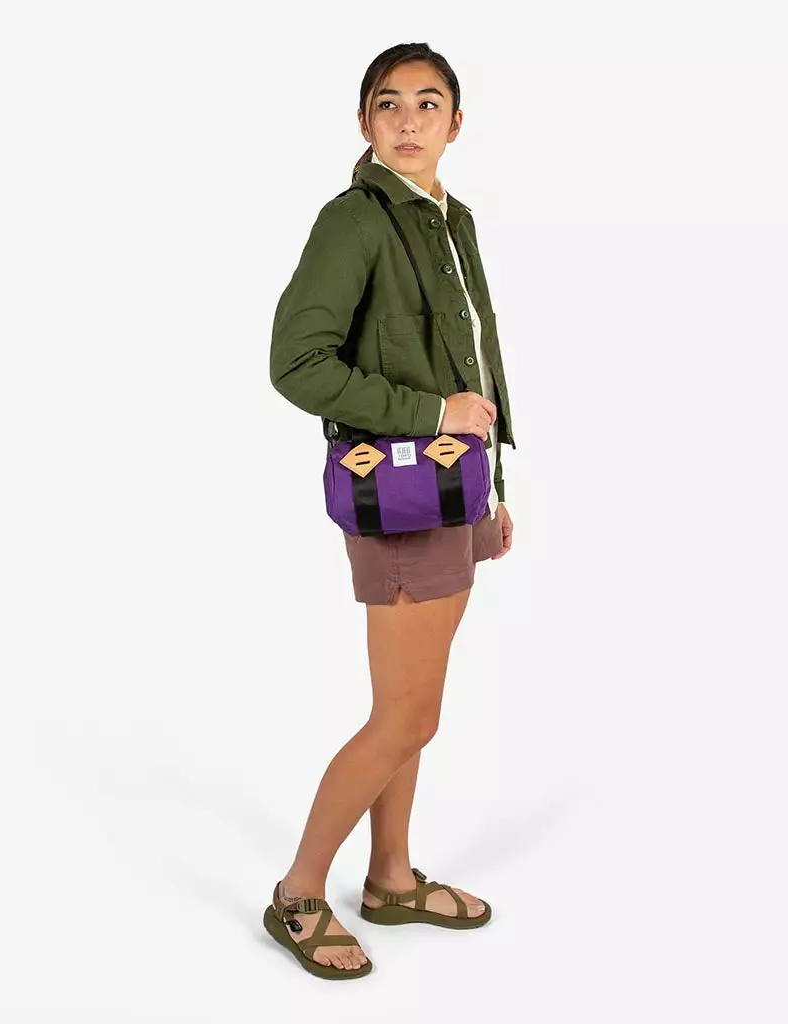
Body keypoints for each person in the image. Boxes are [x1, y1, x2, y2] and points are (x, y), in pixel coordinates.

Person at [264, 41, 517, 980]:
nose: (409, 121)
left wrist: (492, 492)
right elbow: (297, 364)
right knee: (404, 719)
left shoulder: (451, 219)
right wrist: (430, 415)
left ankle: (391, 879)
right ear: (365, 121)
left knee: (412, 712)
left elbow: (472, 364)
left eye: (428, 103)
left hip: (451, 491)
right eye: (389, 103)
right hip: (401, 497)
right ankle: (298, 892)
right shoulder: (355, 220)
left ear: (456, 122)